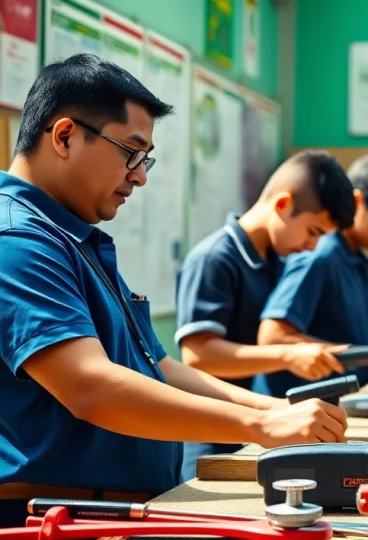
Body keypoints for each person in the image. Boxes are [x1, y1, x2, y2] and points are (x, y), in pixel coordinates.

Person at [0, 54, 348, 527]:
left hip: (115, 511)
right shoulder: (18, 240)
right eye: (130, 152)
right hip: (59, 517)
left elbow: (159, 367)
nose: (140, 176)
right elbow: (88, 386)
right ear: (64, 136)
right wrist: (261, 426)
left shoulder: (75, 239)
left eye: (146, 159)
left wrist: (278, 410)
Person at [174, 149, 357, 481]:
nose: (313, 246)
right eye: (313, 231)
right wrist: (286, 354)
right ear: (283, 205)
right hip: (209, 443)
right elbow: (197, 355)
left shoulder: (277, 260)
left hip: (255, 431)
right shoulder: (214, 259)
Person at [257, 153, 368, 395]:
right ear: (358, 202)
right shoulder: (320, 256)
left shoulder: (359, 262)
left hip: (347, 404)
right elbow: (273, 339)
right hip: (303, 410)